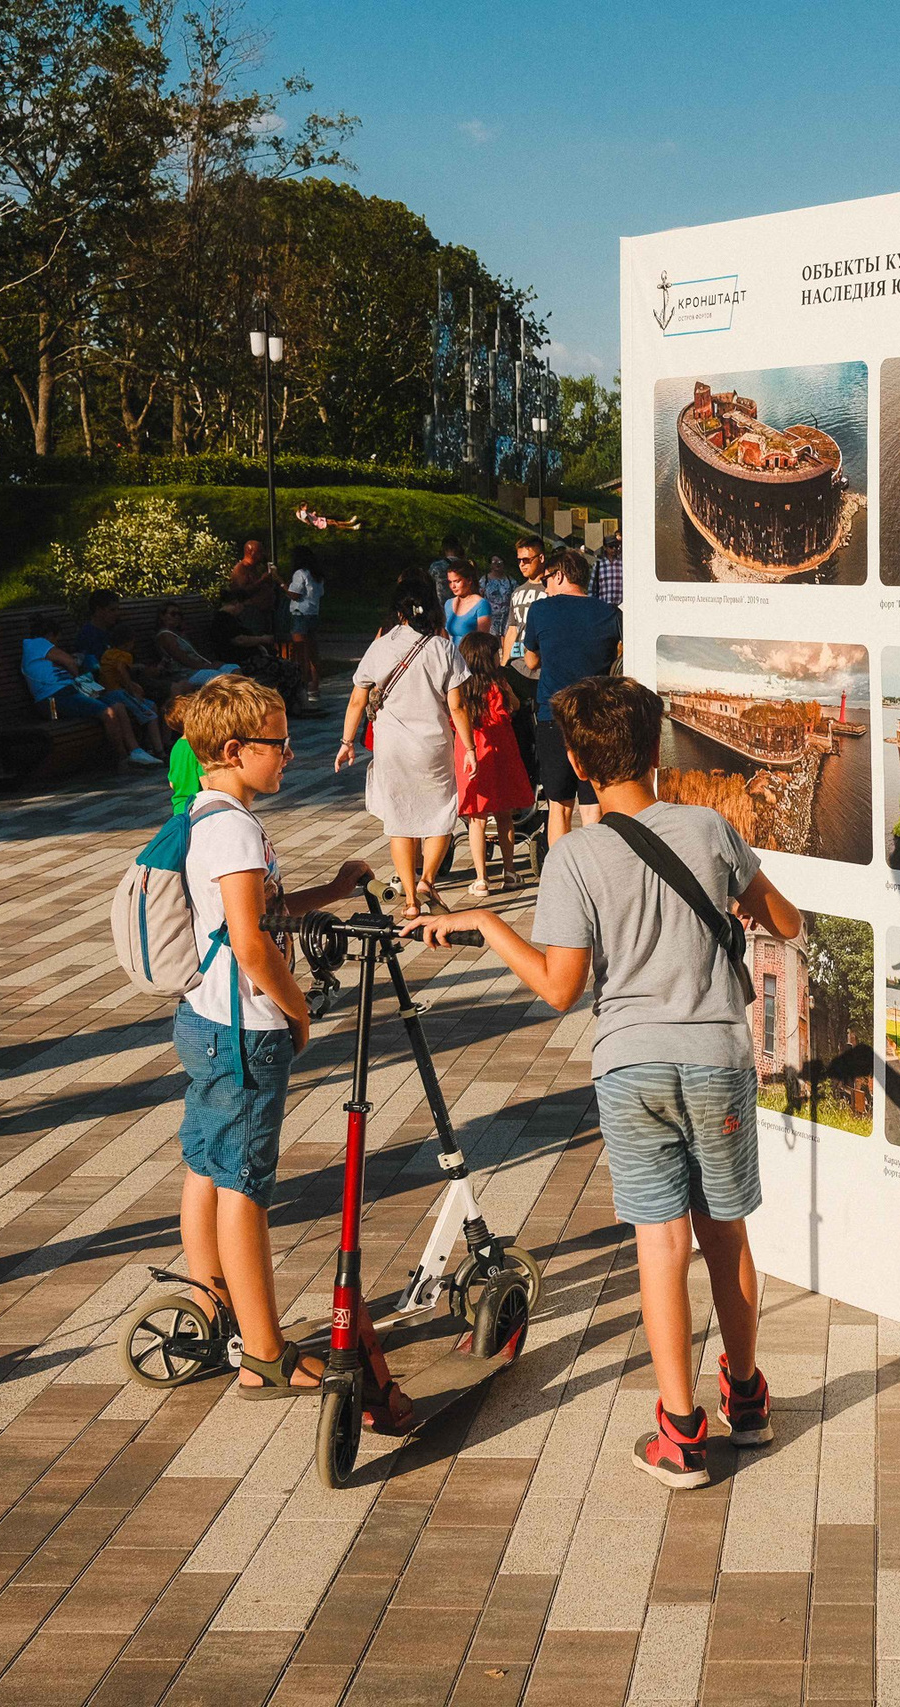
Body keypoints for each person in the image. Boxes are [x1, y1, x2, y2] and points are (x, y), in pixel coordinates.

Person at [406, 675, 800, 1487]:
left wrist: (485, 923)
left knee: (662, 1245)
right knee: (725, 1234)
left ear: (579, 765)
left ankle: (681, 1433)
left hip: (632, 1066)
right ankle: (750, 1402)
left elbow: (559, 987)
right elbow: (786, 921)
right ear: (656, 752)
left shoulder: (575, 856)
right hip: (717, 1060)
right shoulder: (709, 828)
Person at [170, 675, 412, 1426]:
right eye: (278, 743)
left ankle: (212, 1301)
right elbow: (250, 941)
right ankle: (263, 1355)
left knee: (207, 1163)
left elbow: (257, 911)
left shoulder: (206, 816)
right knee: (245, 1181)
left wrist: (329, 890)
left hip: (206, 1021)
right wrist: (297, 1009)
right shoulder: (235, 828)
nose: (290, 756)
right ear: (236, 750)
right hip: (246, 1029)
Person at [335, 589, 473, 919]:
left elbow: (357, 699)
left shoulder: (379, 646)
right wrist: (469, 746)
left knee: (400, 819)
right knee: (440, 813)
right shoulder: (443, 648)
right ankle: (427, 880)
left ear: (399, 613)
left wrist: (346, 741)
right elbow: (457, 704)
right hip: (433, 746)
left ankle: (410, 900)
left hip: (391, 747)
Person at [522, 551, 623, 847]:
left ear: (560, 575)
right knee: (593, 804)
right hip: (596, 718)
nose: (545, 587)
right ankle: (596, 872)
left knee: (559, 804)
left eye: (546, 579)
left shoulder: (540, 611)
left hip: (553, 717)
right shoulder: (610, 613)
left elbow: (530, 661)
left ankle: (560, 874)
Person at [22, 615, 163, 766]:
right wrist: (78, 677)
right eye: (56, 641)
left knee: (118, 706)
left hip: (68, 693)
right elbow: (69, 661)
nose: (56, 645)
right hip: (54, 698)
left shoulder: (38, 653)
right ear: (50, 635)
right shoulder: (36, 643)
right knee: (108, 713)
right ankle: (123, 761)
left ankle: (136, 752)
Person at [453, 632, 534, 894]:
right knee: (504, 814)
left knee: (477, 818)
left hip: (472, 752)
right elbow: (514, 706)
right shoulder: (499, 683)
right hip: (502, 752)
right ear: (487, 659)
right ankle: (509, 872)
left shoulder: (461, 687)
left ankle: (480, 878)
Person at [500, 537, 549, 788]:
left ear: (541, 558)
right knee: (520, 725)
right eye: (518, 560)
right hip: (517, 667)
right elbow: (511, 628)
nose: (521, 565)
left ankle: (543, 772)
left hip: (542, 670)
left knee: (543, 724)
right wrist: (505, 662)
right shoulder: (517, 592)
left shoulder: (550, 589)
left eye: (526, 559)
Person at [286, 544, 325, 708]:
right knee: (313, 654)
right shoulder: (317, 575)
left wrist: (281, 584)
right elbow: (320, 594)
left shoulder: (300, 574)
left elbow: (294, 594)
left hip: (300, 614)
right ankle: (314, 688)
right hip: (313, 614)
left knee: (300, 653)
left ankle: (301, 688)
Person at [444, 560, 491, 644]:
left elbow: (483, 639)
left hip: (471, 654)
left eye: (457, 581)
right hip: (452, 654)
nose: (453, 586)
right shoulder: (448, 604)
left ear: (469, 580)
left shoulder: (481, 604)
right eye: (450, 582)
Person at [428, 535, 474, 608]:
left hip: (440, 609)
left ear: (443, 549)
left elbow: (428, 588)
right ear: (458, 548)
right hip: (463, 608)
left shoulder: (435, 567)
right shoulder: (466, 566)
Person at [593, 534, 625, 607]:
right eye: (611, 547)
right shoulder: (598, 565)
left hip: (620, 607)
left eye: (616, 546)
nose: (614, 549)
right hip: (603, 606)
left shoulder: (623, 564)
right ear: (605, 548)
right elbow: (592, 588)